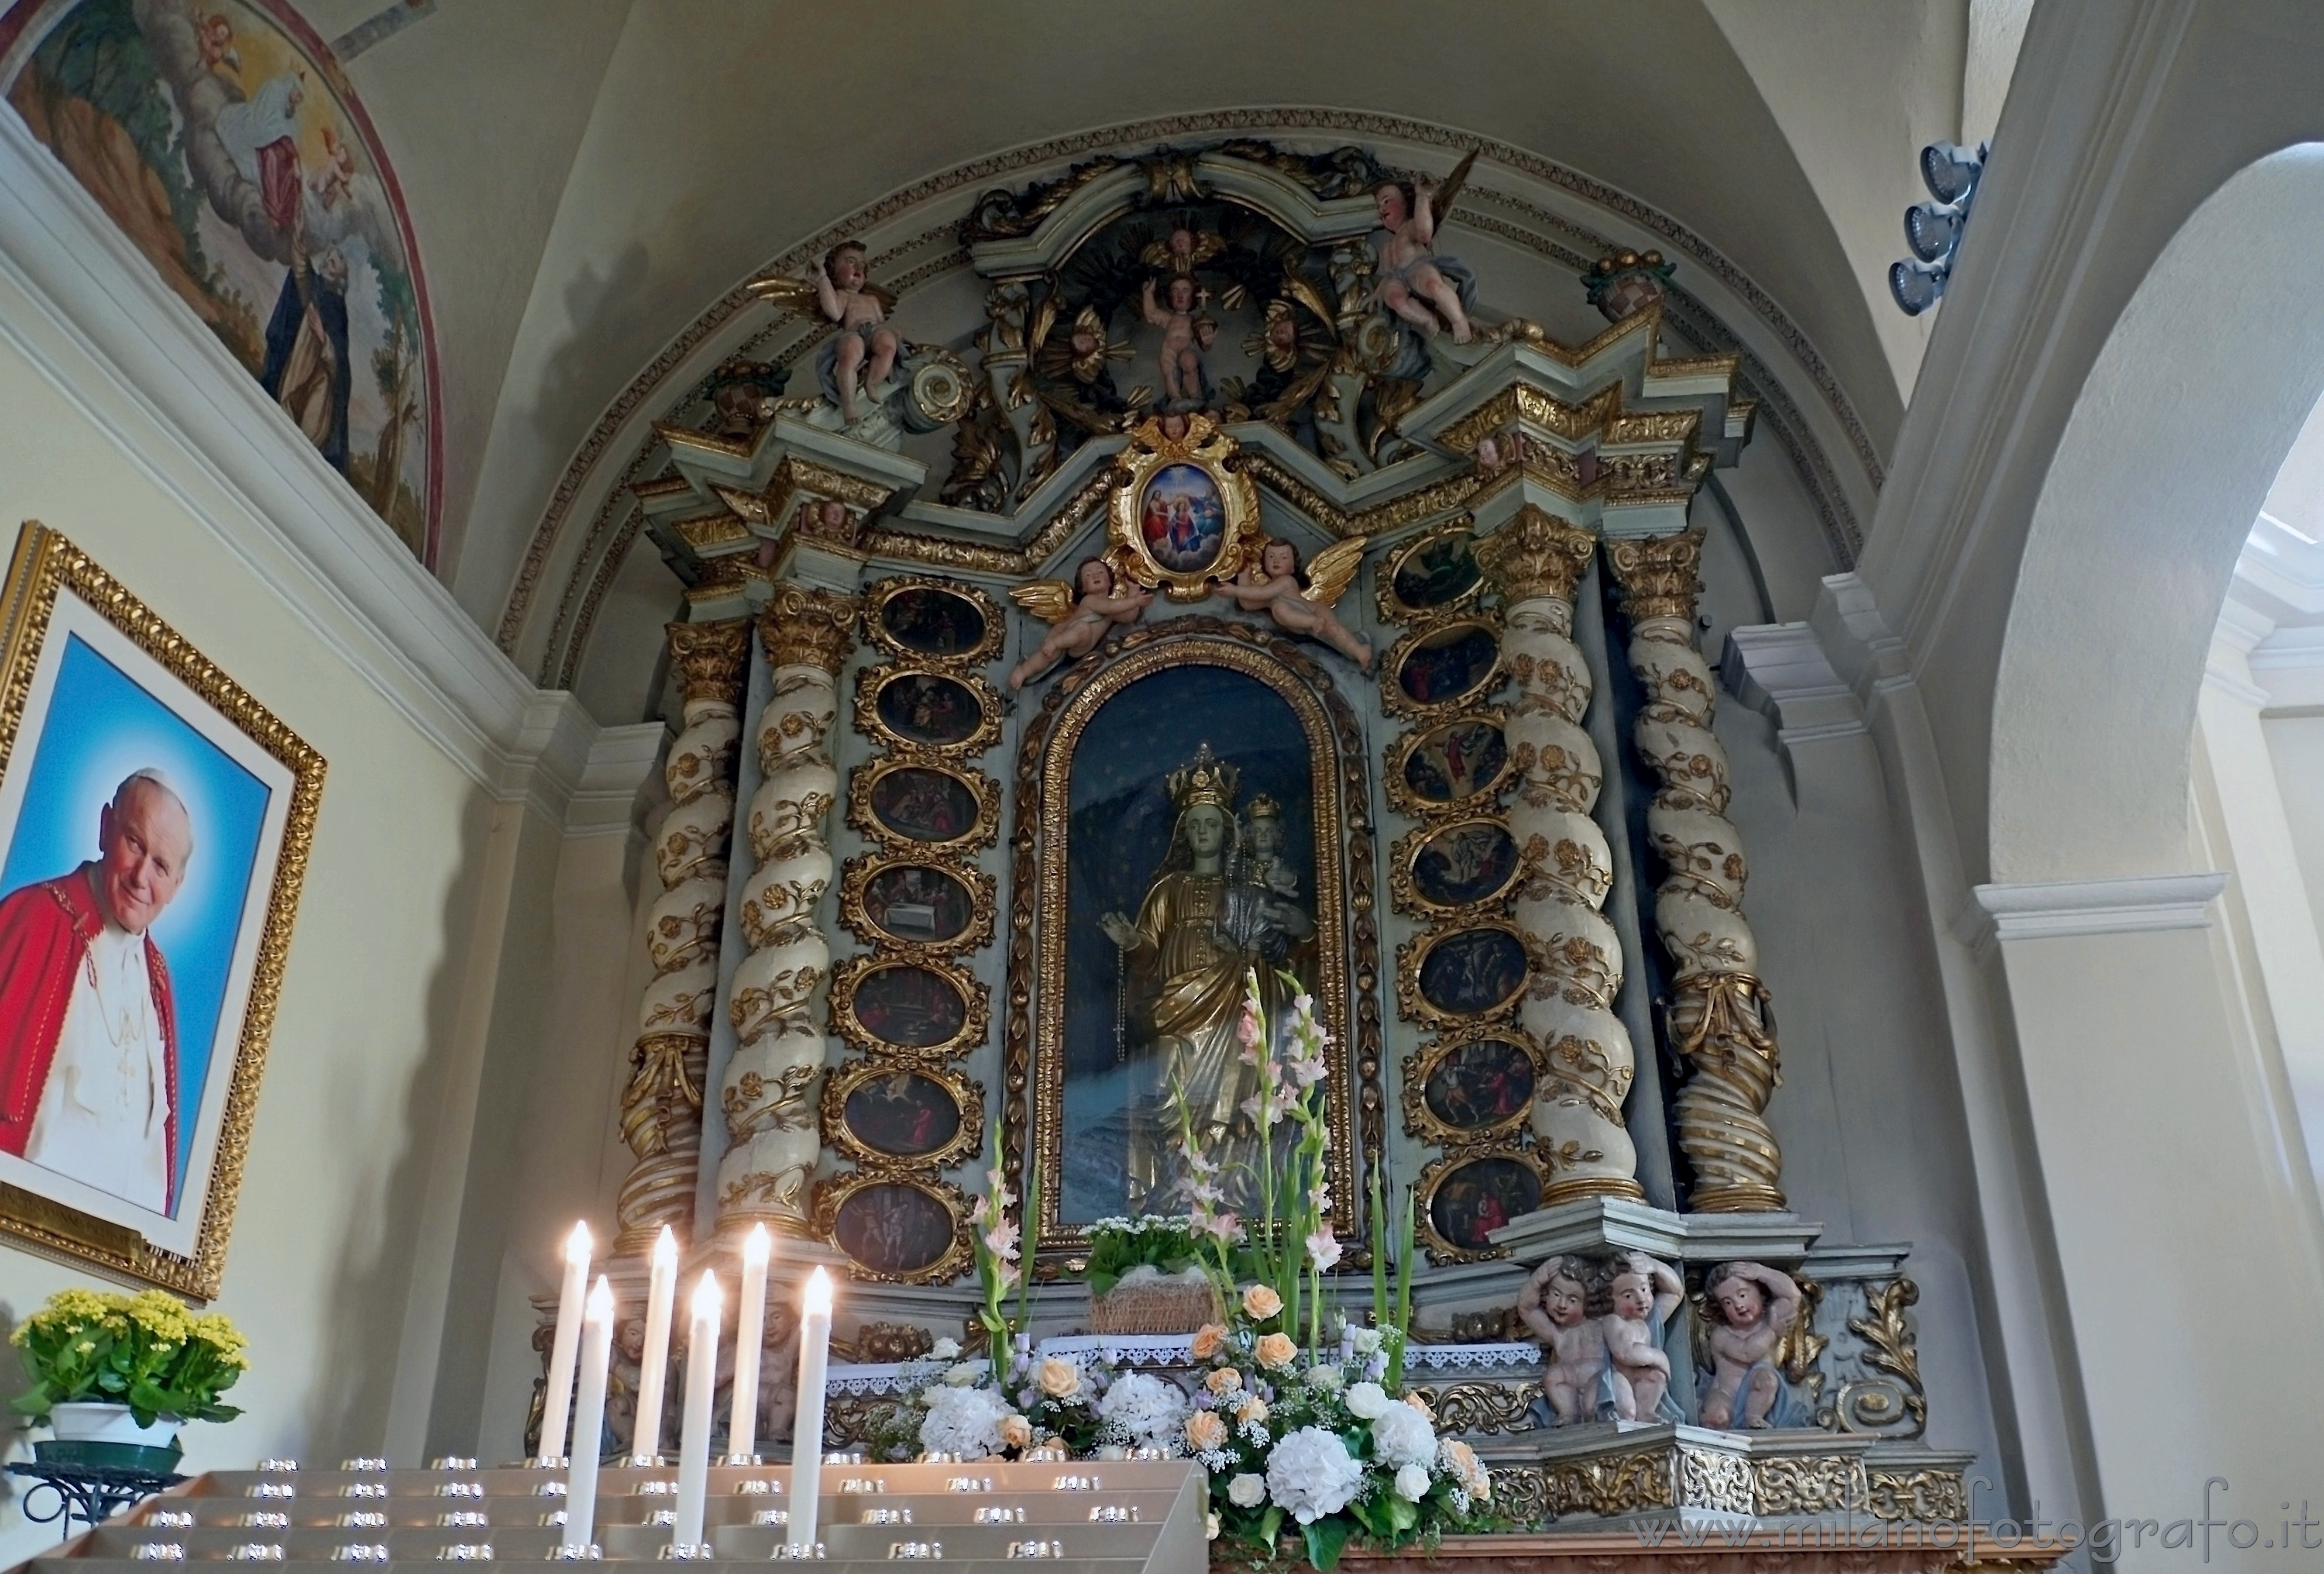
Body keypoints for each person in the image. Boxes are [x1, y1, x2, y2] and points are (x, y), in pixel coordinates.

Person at [0, 771, 195, 1214]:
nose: (142, 876)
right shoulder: (33, 917)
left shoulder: (159, 978)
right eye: (134, 842)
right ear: (106, 826)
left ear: (177, 887)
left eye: (162, 865)